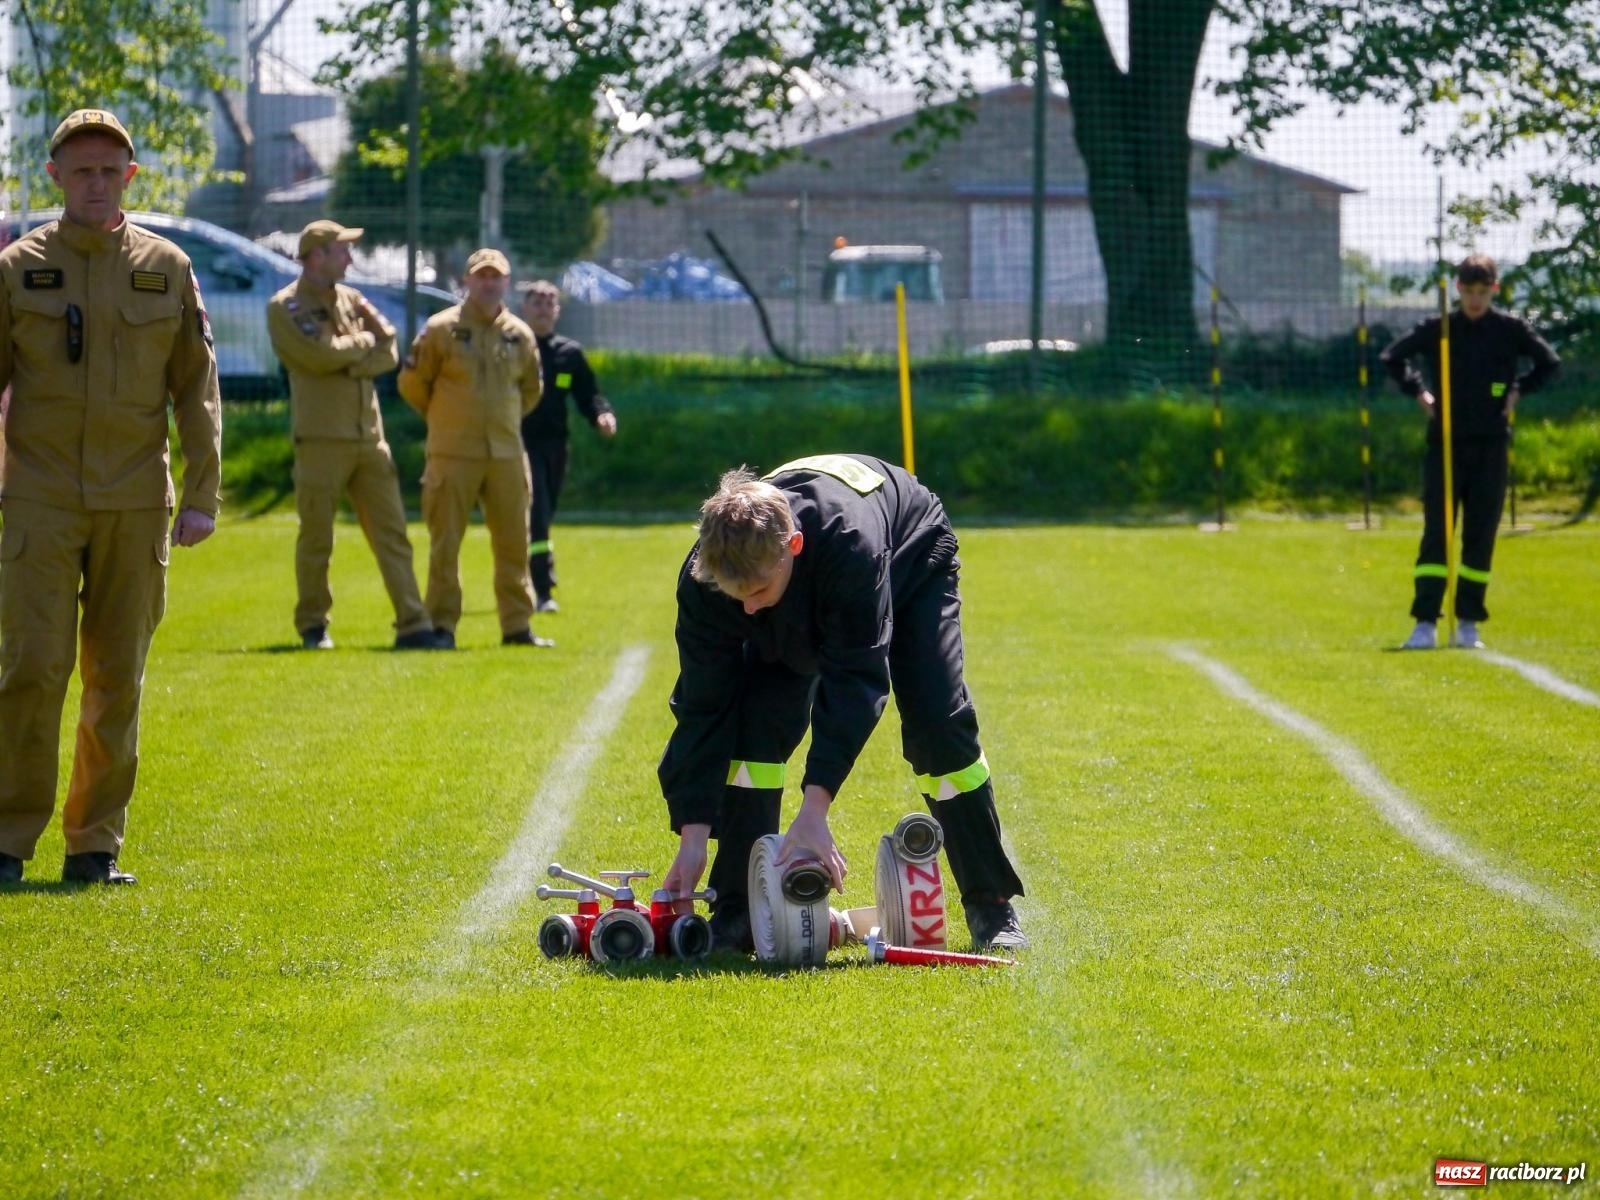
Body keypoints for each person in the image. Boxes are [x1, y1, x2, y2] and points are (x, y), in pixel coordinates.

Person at [657, 454, 1028, 952]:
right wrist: (693, 837)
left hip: (910, 558)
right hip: (809, 578)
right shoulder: (708, 578)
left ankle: (991, 904)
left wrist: (815, 810)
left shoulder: (851, 548)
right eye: (734, 594)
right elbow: (704, 706)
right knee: (755, 727)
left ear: (792, 546)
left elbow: (855, 682)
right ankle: (738, 909)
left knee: (938, 725)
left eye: (758, 590)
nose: (747, 608)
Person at [0, 108, 222, 885]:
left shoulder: (168, 266)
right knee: (31, 669)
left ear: (129, 176)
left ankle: (94, 847)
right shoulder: (18, 267)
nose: (95, 183)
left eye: (108, 170)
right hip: (39, 498)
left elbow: (196, 390)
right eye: (80, 170)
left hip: (135, 499)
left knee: (117, 675)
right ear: (54, 176)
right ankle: (7, 840)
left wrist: (202, 493)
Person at [267, 220, 441, 651]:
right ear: (317, 256)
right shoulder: (285, 307)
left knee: (393, 534)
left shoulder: (352, 298)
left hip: (370, 437)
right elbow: (318, 355)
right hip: (321, 438)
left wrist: (352, 361)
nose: (349, 258)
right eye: (342, 250)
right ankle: (313, 625)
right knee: (317, 537)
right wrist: (361, 348)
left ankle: (413, 624)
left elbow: (391, 347)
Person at [1382, 255, 1560, 650]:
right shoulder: (1440, 329)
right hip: (1445, 444)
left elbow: (1549, 362)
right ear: (1458, 290)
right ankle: (1424, 623)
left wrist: (1517, 390)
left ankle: (1468, 623)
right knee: (1437, 533)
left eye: (1483, 292)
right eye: (1469, 292)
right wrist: (1420, 393)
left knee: (1480, 534)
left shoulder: (1509, 330)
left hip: (1491, 444)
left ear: (1494, 290)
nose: (1476, 300)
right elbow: (1392, 357)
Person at [398, 249, 549, 648]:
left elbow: (531, 389)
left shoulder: (520, 334)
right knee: (445, 544)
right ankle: (442, 625)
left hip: (506, 453)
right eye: (481, 276)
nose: (488, 284)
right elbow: (412, 384)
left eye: (496, 277)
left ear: (506, 283)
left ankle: (517, 626)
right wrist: (446, 418)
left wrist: (502, 420)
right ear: (466, 281)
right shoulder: (440, 329)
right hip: (452, 452)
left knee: (514, 543)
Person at [517, 280, 617, 613]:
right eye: (537, 302)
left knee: (544, 514)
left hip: (555, 447)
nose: (543, 309)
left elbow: (589, 395)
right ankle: (543, 590)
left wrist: (601, 415)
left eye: (549, 303)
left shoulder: (568, 354)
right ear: (524, 308)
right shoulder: (514, 346)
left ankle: (522, 577)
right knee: (538, 513)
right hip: (518, 444)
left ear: (557, 311)